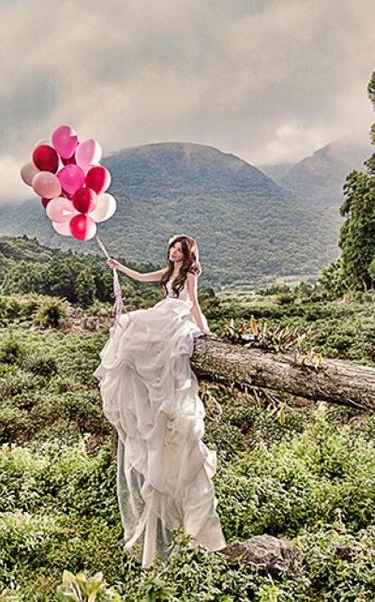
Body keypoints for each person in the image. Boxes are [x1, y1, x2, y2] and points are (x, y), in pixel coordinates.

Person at [93, 234, 226, 567]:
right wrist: (118, 266)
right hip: (163, 313)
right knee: (133, 327)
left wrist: (204, 329)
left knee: (155, 340)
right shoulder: (167, 273)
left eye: (178, 250)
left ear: (187, 253)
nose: (173, 253)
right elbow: (140, 276)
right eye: (172, 249)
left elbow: (193, 304)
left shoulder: (190, 273)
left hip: (178, 318)